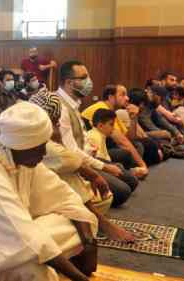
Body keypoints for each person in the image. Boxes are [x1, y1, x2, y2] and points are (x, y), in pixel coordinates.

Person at [0, 102, 98, 281]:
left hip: (15, 245)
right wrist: (79, 278)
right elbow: (23, 238)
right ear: (22, 145)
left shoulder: (23, 161)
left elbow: (65, 197)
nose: (43, 153)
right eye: (40, 147)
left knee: (73, 222)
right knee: (31, 265)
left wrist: (88, 242)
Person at [31, 91, 135, 242]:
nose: (57, 125)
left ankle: (93, 221)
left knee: (125, 176)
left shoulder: (71, 108)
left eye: (56, 122)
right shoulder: (31, 135)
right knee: (119, 189)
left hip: (81, 162)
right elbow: (68, 158)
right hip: (39, 186)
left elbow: (69, 154)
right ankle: (100, 223)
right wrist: (94, 174)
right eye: (54, 122)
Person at [56, 61, 136, 208]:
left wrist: (92, 150)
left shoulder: (74, 103)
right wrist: (103, 168)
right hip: (76, 165)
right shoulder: (60, 106)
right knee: (123, 190)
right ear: (69, 82)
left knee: (130, 180)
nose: (89, 82)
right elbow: (71, 152)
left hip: (88, 157)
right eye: (84, 78)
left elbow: (82, 134)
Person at [81, 84, 148, 177]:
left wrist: (133, 119)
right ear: (111, 97)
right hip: (93, 151)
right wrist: (143, 166)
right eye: (123, 95)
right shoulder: (102, 108)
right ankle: (129, 172)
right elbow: (122, 141)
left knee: (137, 145)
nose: (127, 98)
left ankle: (130, 171)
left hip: (104, 146)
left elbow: (130, 137)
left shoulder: (112, 111)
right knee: (126, 152)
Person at [86, 109, 140, 190]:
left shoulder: (100, 135)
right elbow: (100, 162)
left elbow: (106, 158)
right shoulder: (95, 137)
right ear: (100, 125)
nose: (113, 128)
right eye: (111, 124)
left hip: (105, 165)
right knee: (132, 181)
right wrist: (115, 167)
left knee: (129, 177)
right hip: (100, 169)